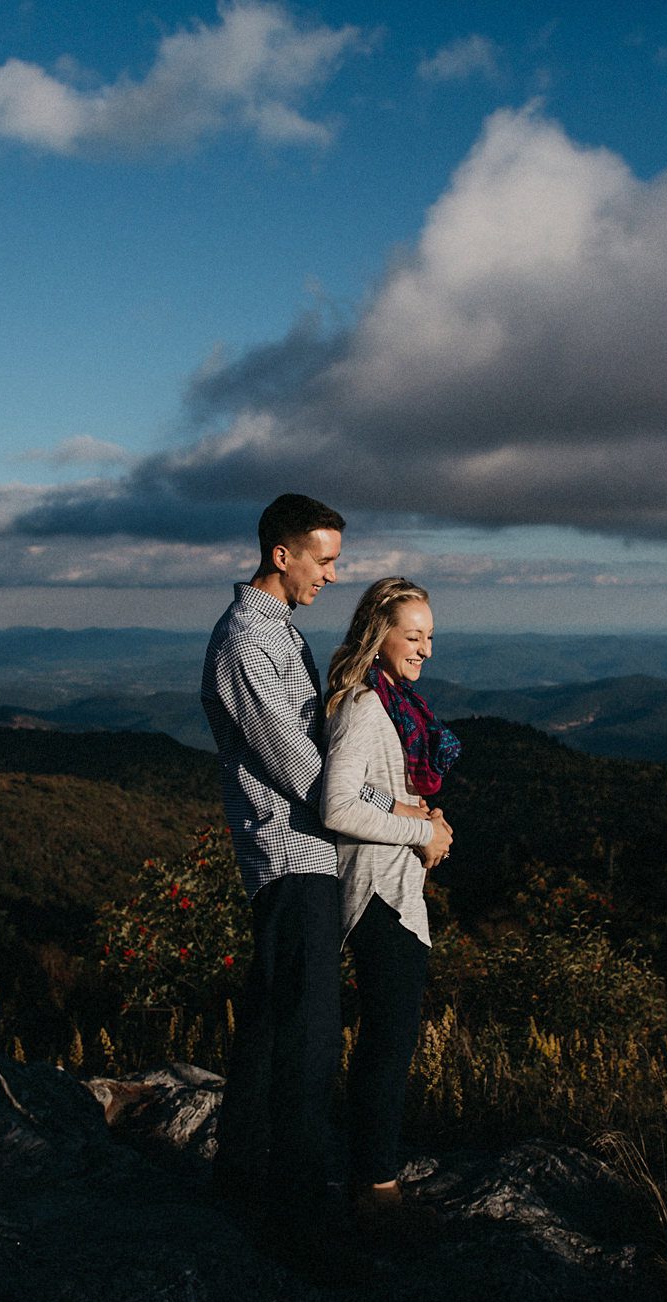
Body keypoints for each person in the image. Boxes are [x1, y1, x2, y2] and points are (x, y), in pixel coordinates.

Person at [201, 495, 451, 1211]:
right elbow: (307, 773)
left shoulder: (281, 635)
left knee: (274, 1020)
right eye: (326, 559)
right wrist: (402, 813)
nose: (334, 576)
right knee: (309, 1039)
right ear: (283, 555)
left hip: (310, 853)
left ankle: (242, 1179)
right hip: (289, 851)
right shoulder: (247, 642)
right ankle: (297, 1202)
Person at [320, 577, 461, 1226]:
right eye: (413, 633)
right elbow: (338, 804)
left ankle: (370, 1176)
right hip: (378, 895)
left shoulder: (390, 703)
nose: (425, 648)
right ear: (380, 634)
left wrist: (419, 815)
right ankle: (374, 1189)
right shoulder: (362, 706)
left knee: (388, 1038)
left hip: (393, 889)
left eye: (430, 635)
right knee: (388, 1041)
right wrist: (420, 829)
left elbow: (375, 790)